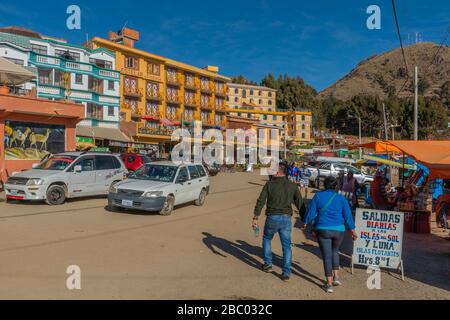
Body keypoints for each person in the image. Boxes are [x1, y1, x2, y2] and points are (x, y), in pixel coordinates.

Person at [303, 176, 357, 293]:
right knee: (335, 251)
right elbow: (348, 216)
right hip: (339, 230)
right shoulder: (341, 199)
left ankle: (329, 284)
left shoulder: (318, 196)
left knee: (327, 256)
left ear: (324, 185)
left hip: (323, 229)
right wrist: (353, 230)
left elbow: (311, 213)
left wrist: (305, 222)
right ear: (336, 186)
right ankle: (336, 277)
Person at [253, 162, 303, 281]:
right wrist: (305, 220)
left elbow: (261, 201)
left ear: (277, 172)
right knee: (286, 245)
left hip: (272, 217)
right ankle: (286, 273)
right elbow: (300, 204)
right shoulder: (292, 186)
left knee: (267, 239)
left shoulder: (269, 185)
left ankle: (268, 265)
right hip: (286, 218)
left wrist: (255, 217)